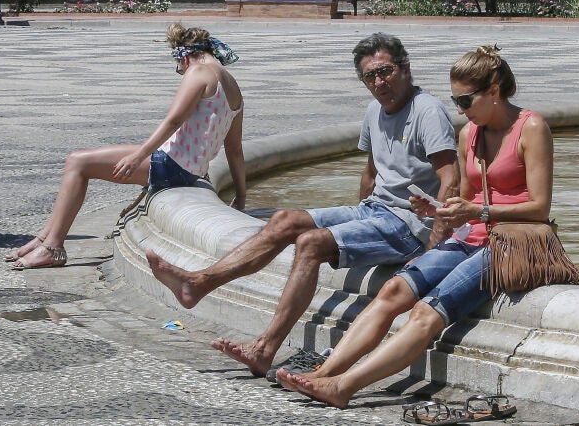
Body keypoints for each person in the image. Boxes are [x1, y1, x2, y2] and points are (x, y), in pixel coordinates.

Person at [146, 33, 459, 379]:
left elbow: (451, 180)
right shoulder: (374, 111)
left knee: (311, 243)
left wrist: (432, 250)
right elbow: (370, 173)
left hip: (408, 225)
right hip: (374, 211)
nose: (379, 82)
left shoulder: (427, 111)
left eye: (385, 71)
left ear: (405, 68)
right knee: (284, 220)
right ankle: (199, 283)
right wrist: (355, 223)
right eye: (370, 76)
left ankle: (264, 349)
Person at [276, 45, 554, 409]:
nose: (459, 110)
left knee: (426, 310)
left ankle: (344, 386)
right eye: (455, 101)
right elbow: (464, 203)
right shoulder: (469, 133)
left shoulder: (531, 127)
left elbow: (540, 208)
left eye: (465, 101)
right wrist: (440, 209)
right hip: (471, 236)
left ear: (494, 91)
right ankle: (324, 373)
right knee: (393, 289)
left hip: (511, 243)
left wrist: (477, 210)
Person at [3, 24, 246, 269]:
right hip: (187, 168)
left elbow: (173, 120)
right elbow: (234, 149)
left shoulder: (199, 72)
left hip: (172, 165)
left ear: (184, 57)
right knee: (79, 160)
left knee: (78, 162)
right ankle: (43, 239)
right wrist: (241, 197)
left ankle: (53, 248)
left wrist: (138, 156)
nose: (182, 72)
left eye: (179, 68)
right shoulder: (232, 86)